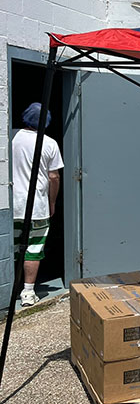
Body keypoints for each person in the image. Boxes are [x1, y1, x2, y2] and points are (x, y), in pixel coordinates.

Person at [12, 103, 64, 307]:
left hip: (11, 206)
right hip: (37, 207)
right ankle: (28, 292)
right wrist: (52, 202)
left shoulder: (10, 136)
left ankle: (10, 289)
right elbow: (54, 177)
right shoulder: (49, 143)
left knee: (12, 247)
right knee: (33, 249)